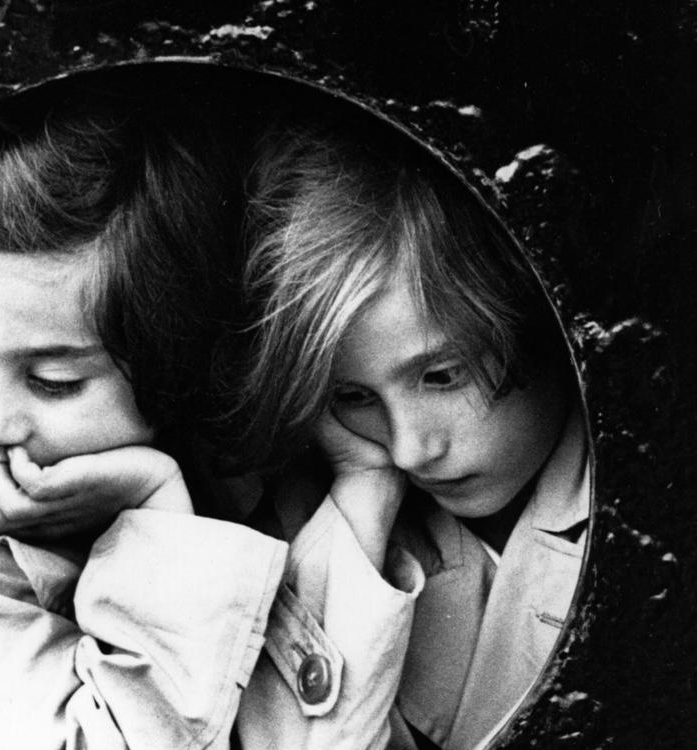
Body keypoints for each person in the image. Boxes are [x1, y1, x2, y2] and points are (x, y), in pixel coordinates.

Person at [0, 97, 422, 750]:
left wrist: (368, 483)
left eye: (53, 381)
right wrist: (158, 514)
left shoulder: (230, 448)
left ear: (166, 364)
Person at [229, 120, 590, 750]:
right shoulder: (333, 518)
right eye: (355, 396)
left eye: (442, 375)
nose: (408, 449)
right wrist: (365, 493)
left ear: (529, 313)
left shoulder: (639, 499)